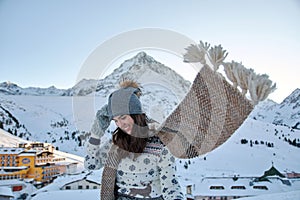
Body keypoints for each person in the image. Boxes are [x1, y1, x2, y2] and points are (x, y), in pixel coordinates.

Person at [85, 80, 184, 200]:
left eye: (123, 117)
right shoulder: (116, 143)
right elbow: (91, 165)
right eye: (115, 120)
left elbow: (170, 186)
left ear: (136, 115)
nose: (120, 124)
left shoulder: (160, 143)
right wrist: (96, 134)